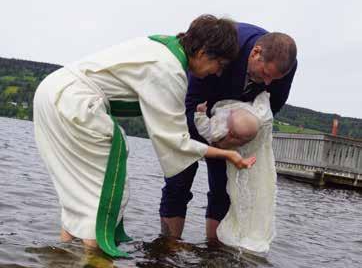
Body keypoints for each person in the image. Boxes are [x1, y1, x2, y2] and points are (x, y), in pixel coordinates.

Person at [33, 15, 257, 257]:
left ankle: (62, 259)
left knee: (79, 197)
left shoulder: (161, 44)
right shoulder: (170, 70)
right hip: (76, 104)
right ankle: (90, 260)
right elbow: (176, 142)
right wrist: (226, 153)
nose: (217, 73)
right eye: (220, 65)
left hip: (52, 92)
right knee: (106, 200)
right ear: (203, 52)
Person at [160, 22, 297, 240]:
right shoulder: (222, 44)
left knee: (224, 192)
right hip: (195, 108)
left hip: (234, 124)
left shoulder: (283, 66)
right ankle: (167, 247)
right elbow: (188, 104)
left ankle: (213, 254)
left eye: (275, 79)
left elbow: (272, 106)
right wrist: (212, 142)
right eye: (266, 73)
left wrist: (237, 137)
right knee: (178, 183)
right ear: (255, 53)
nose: (269, 82)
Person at [194, 92, 277, 253]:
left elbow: (204, 127)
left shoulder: (240, 134)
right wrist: (200, 113)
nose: (237, 142)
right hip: (225, 124)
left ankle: (213, 245)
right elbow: (204, 127)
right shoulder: (218, 130)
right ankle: (214, 244)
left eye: (242, 140)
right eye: (236, 138)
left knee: (227, 193)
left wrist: (200, 113)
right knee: (223, 192)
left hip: (239, 118)